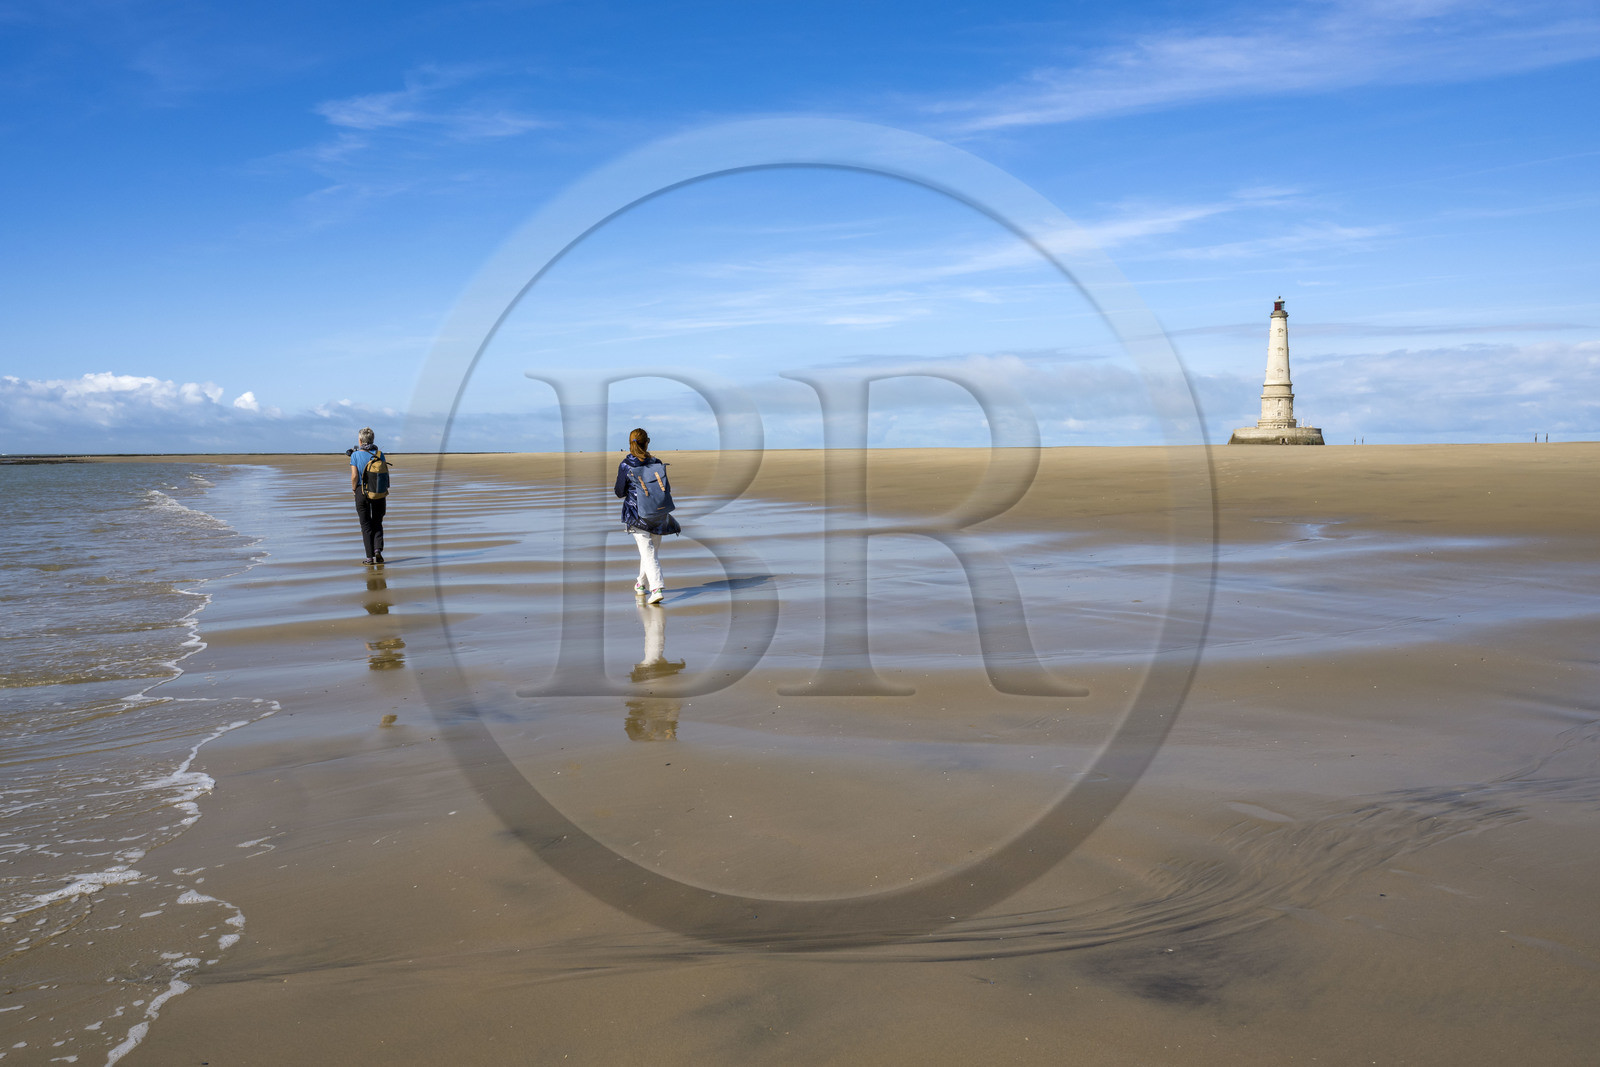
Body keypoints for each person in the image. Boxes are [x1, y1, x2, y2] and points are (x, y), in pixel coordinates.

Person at [614, 427, 678, 604]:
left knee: (648, 553)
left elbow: (619, 492)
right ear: (647, 442)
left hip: (636, 515)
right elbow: (667, 488)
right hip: (658, 512)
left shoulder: (626, 465)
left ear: (630, 443)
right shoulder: (657, 462)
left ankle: (656, 588)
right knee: (650, 553)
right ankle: (641, 584)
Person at [348, 427, 388, 565]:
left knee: (365, 525)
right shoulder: (379, 454)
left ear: (360, 440)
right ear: (373, 439)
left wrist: (354, 490)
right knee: (377, 522)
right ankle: (378, 549)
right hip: (378, 491)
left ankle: (369, 558)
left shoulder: (355, 456)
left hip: (361, 491)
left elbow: (354, 476)